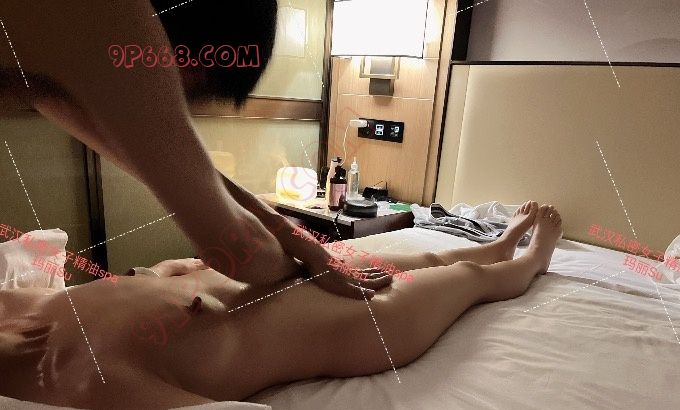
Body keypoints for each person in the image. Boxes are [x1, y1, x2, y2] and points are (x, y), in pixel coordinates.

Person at [0, 203, 650, 410]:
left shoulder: (20, 310)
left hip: (265, 272)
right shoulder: (90, 393)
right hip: (348, 323)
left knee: (424, 255)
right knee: (466, 279)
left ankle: (496, 244)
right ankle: (526, 261)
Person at [0, 0, 390, 300]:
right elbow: (238, 249)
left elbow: (198, 175)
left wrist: (307, 246)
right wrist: (306, 273)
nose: (181, 104)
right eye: (198, 90)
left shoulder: (63, 57)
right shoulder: (115, 24)